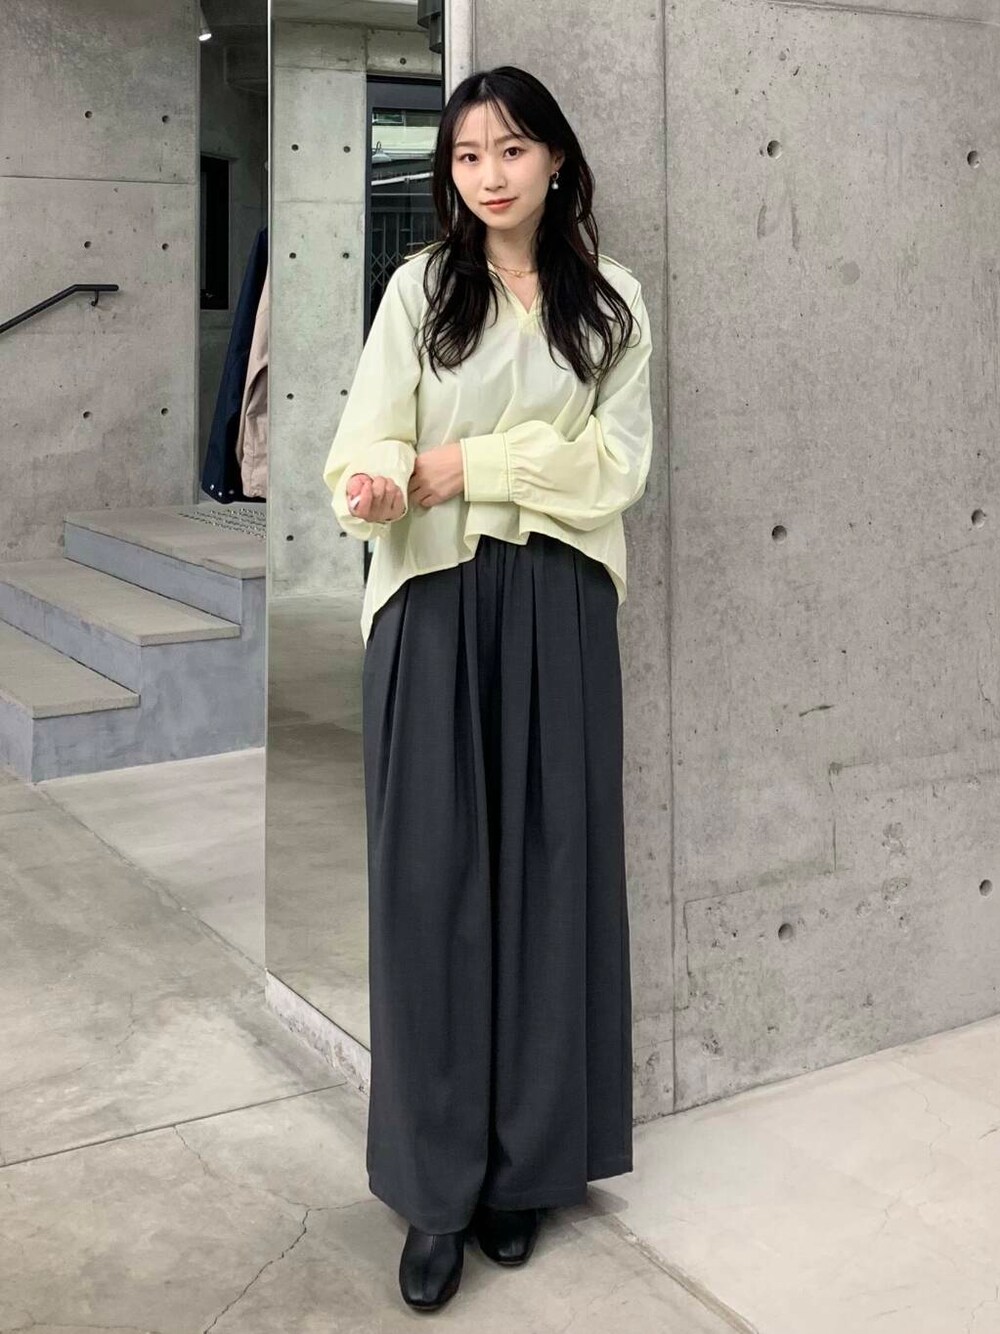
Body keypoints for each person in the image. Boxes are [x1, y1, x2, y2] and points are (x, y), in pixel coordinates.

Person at [322, 65, 654, 1313]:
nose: (490, 175)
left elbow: (615, 464)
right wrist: (376, 482)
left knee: (552, 882)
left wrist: (470, 461)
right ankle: (434, 1188)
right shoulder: (421, 288)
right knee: (430, 892)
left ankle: (526, 1166)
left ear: (555, 159)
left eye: (511, 149)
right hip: (431, 601)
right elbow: (369, 439)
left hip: (560, 605)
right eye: (467, 155)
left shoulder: (611, 301)